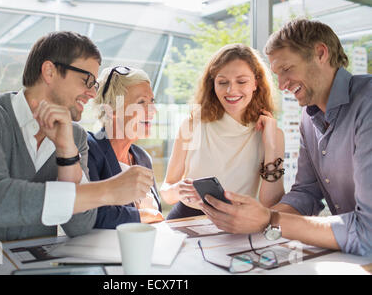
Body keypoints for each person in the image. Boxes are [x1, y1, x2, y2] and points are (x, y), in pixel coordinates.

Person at [0, 31, 154, 248]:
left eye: (94, 85)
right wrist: (108, 191)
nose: (92, 94)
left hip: (33, 266)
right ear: (49, 71)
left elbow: (79, 226)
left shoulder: (75, 136)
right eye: (86, 80)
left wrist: (67, 154)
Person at [202, 19, 372, 256]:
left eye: (287, 69)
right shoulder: (308, 117)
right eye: (277, 74)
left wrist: (269, 219)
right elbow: (306, 193)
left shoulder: (368, 104)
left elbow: (368, 232)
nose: (281, 85)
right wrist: (249, 218)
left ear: (320, 53)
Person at [161, 44, 285, 220]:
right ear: (213, 85)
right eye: (222, 82)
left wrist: (271, 145)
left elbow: (270, 203)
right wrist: (177, 190)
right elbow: (167, 191)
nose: (231, 90)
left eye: (241, 81)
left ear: (256, 84)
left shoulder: (273, 134)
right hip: (187, 219)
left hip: (238, 223)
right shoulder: (192, 125)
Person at [87, 66, 164, 228]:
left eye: (152, 101)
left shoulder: (142, 158)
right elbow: (92, 215)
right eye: (141, 102)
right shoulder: (90, 149)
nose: (153, 110)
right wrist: (145, 215)